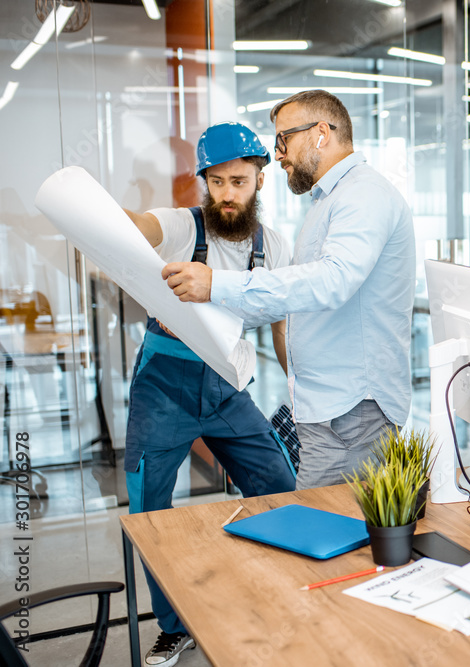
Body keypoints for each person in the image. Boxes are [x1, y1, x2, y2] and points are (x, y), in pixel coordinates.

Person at [160, 90, 415, 490]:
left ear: (320, 134)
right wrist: (198, 310)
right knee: (331, 533)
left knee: (329, 535)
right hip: (332, 410)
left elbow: (332, 281)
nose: (277, 154)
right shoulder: (328, 202)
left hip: (352, 411)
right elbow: (299, 303)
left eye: (283, 139)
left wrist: (216, 284)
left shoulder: (363, 195)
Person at [122, 121, 297, 667]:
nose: (226, 193)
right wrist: (103, 217)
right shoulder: (182, 226)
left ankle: (278, 593)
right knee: (150, 509)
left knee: (280, 486)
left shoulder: (275, 247)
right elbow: (133, 227)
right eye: (216, 182)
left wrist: (297, 388)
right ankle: (173, 627)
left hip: (226, 388)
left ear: (260, 180)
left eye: (238, 181)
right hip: (163, 387)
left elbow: (280, 325)